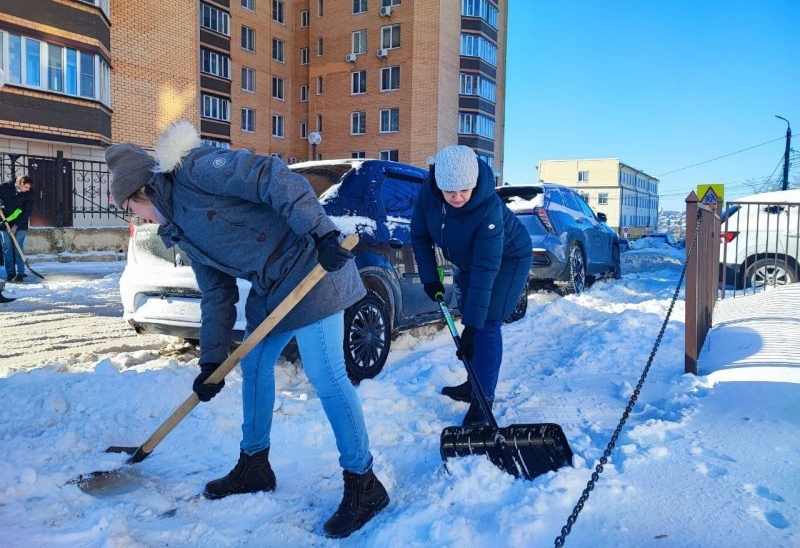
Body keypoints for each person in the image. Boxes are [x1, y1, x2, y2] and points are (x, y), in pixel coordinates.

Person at [105, 120, 389, 538]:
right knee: (253, 366)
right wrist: (212, 361)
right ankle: (254, 465)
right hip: (272, 289)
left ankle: (364, 484)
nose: (137, 219)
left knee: (327, 375)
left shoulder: (196, 169)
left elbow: (271, 175)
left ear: (140, 191)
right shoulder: (177, 230)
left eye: (130, 209)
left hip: (313, 266)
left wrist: (322, 233)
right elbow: (217, 294)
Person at [411, 145, 532, 425]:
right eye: (449, 191)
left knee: (486, 322)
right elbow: (419, 236)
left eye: (463, 190)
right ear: (438, 184)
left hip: (508, 259)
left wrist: (473, 329)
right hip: (468, 260)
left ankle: (482, 401)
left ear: (474, 182)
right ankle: (473, 383)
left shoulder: (487, 207)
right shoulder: (428, 195)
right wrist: (430, 278)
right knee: (470, 313)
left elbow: (486, 268)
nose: (457, 197)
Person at [0, 174, 34, 283]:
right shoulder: (4, 187)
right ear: (19, 184)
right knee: (7, 248)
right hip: (4, 222)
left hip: (21, 223)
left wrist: (16, 225)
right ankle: (10, 273)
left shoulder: (30, 193)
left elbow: (27, 211)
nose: (28, 190)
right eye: (26, 187)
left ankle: (20, 273)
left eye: (29, 187)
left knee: (18, 247)